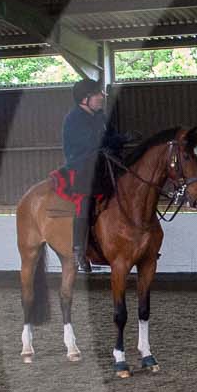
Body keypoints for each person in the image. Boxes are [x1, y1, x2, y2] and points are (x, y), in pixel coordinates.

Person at [62, 78, 129, 273]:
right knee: (86, 200)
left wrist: (123, 139)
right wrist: (114, 141)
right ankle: (78, 250)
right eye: (98, 94)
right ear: (85, 99)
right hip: (81, 167)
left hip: (103, 164)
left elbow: (109, 138)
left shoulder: (100, 117)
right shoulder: (73, 119)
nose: (102, 97)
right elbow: (91, 142)